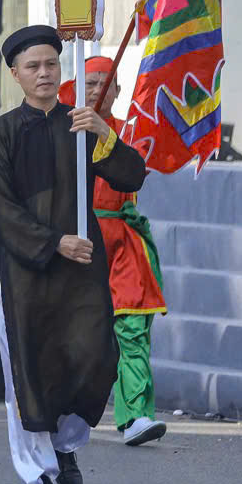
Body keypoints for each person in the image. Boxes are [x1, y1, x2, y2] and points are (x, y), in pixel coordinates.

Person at [0, 25, 147, 484]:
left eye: (51, 65)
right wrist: (54, 242)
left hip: (81, 270)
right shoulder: (4, 131)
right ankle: (36, 474)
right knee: (29, 368)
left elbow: (131, 174)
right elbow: (0, 207)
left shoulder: (80, 124)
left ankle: (67, 445)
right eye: (33, 67)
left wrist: (105, 135)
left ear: (62, 69)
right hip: (28, 271)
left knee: (95, 357)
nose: (44, 74)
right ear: (15, 74)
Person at [73, 56, 166, 447]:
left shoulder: (132, 129)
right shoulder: (64, 129)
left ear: (118, 90)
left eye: (105, 83)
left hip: (124, 241)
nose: (97, 90)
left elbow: (135, 169)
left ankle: (135, 417)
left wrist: (103, 133)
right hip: (81, 241)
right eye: (90, 83)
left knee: (132, 329)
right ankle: (68, 415)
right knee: (82, 337)